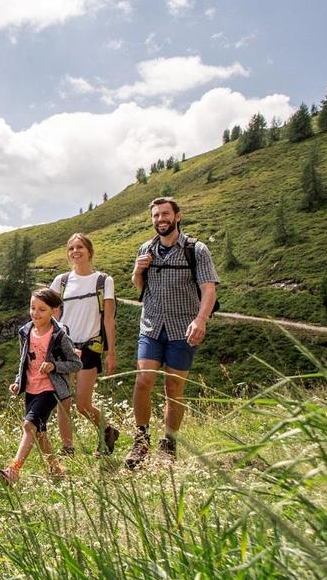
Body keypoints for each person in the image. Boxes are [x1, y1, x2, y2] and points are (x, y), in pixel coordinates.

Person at [126, 196, 219, 469]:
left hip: (182, 328)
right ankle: (141, 440)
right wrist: (137, 269)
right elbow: (138, 285)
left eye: (165, 214)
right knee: (143, 381)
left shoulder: (196, 250)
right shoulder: (146, 247)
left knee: (173, 388)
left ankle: (168, 444)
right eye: (156, 216)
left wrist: (200, 320)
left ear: (177, 216)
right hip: (151, 326)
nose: (160, 220)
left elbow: (209, 289)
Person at [0, 288, 82, 485]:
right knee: (39, 432)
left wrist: (54, 366)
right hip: (31, 388)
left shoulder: (59, 336)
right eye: (32, 308)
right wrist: (18, 381)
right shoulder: (24, 331)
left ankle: (13, 471)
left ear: (54, 311)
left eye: (42, 309)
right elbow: (23, 360)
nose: (35, 313)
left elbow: (77, 364)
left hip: (51, 389)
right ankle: (56, 469)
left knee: (29, 425)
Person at [49, 233, 120, 456]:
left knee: (82, 404)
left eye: (80, 247)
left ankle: (107, 430)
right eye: (71, 248)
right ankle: (67, 448)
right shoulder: (60, 282)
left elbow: (109, 319)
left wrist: (111, 353)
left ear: (89, 251)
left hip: (90, 347)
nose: (75, 251)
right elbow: (50, 316)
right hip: (63, 348)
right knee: (63, 401)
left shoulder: (103, 281)